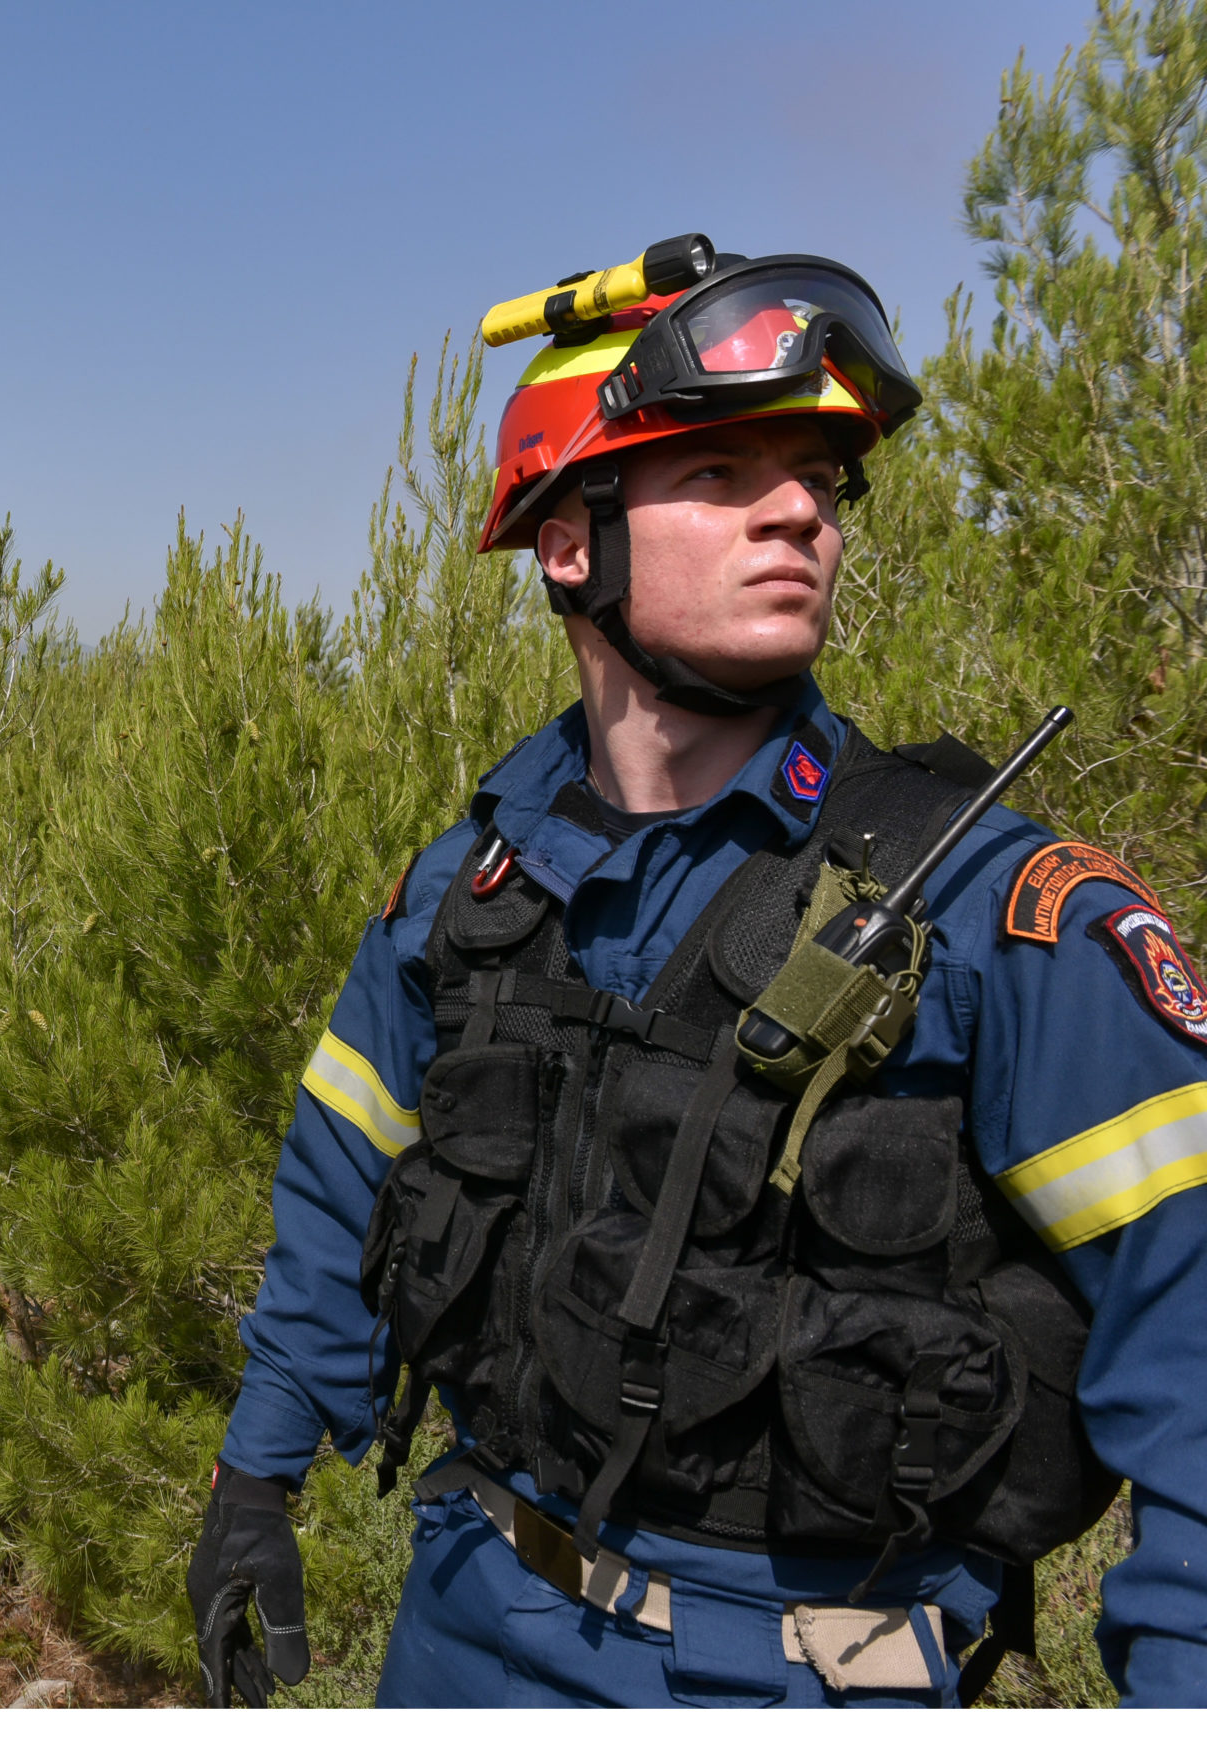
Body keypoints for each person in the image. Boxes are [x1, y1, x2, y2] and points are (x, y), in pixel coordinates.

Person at [189, 247, 1207, 1707]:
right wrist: (253, 1481)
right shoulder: (464, 894)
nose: (801, 510)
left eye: (820, 479)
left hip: (807, 1676)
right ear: (566, 541)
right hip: (465, 1626)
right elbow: (340, 1187)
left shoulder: (989, 911)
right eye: (723, 471)